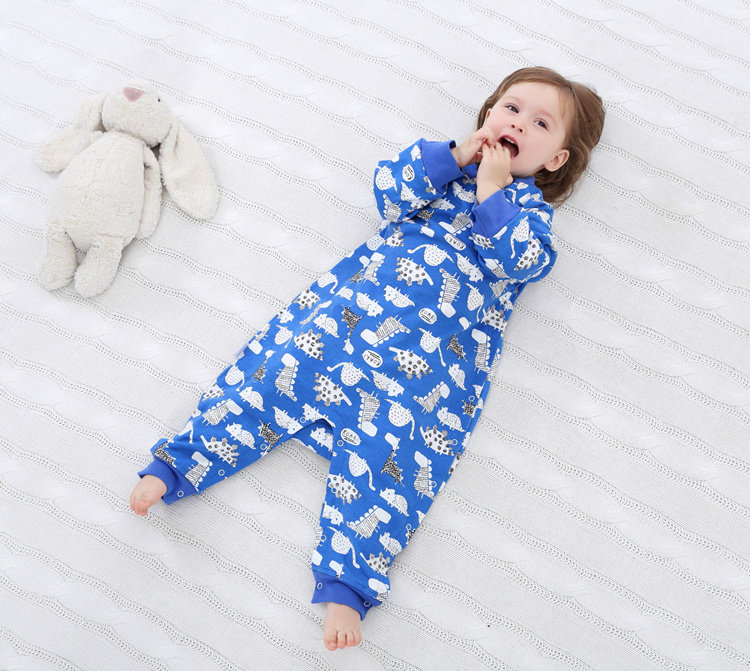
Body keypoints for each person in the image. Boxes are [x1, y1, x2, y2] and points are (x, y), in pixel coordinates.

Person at [130, 66, 605, 651]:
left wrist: (492, 191)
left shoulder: (530, 217)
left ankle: (347, 587)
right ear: (488, 115)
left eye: (540, 123)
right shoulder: (442, 172)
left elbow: (522, 261)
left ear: (555, 160)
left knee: (390, 471)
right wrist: (458, 158)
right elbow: (387, 190)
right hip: (337, 331)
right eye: (511, 108)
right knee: (264, 381)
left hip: (423, 379)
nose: (519, 123)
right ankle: (177, 465)